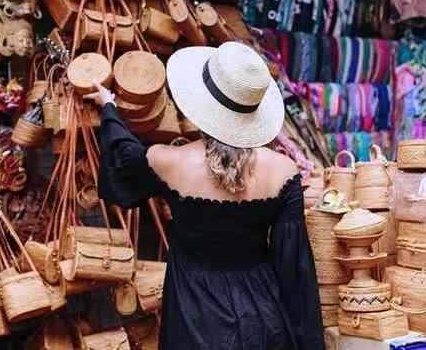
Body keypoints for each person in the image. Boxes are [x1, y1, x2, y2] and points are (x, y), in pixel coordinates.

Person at [90, 42, 325, 350]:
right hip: (263, 315)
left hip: (193, 312)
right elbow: (295, 269)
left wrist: (110, 108)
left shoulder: (169, 162)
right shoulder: (283, 170)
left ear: (201, 103)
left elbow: (124, 157)